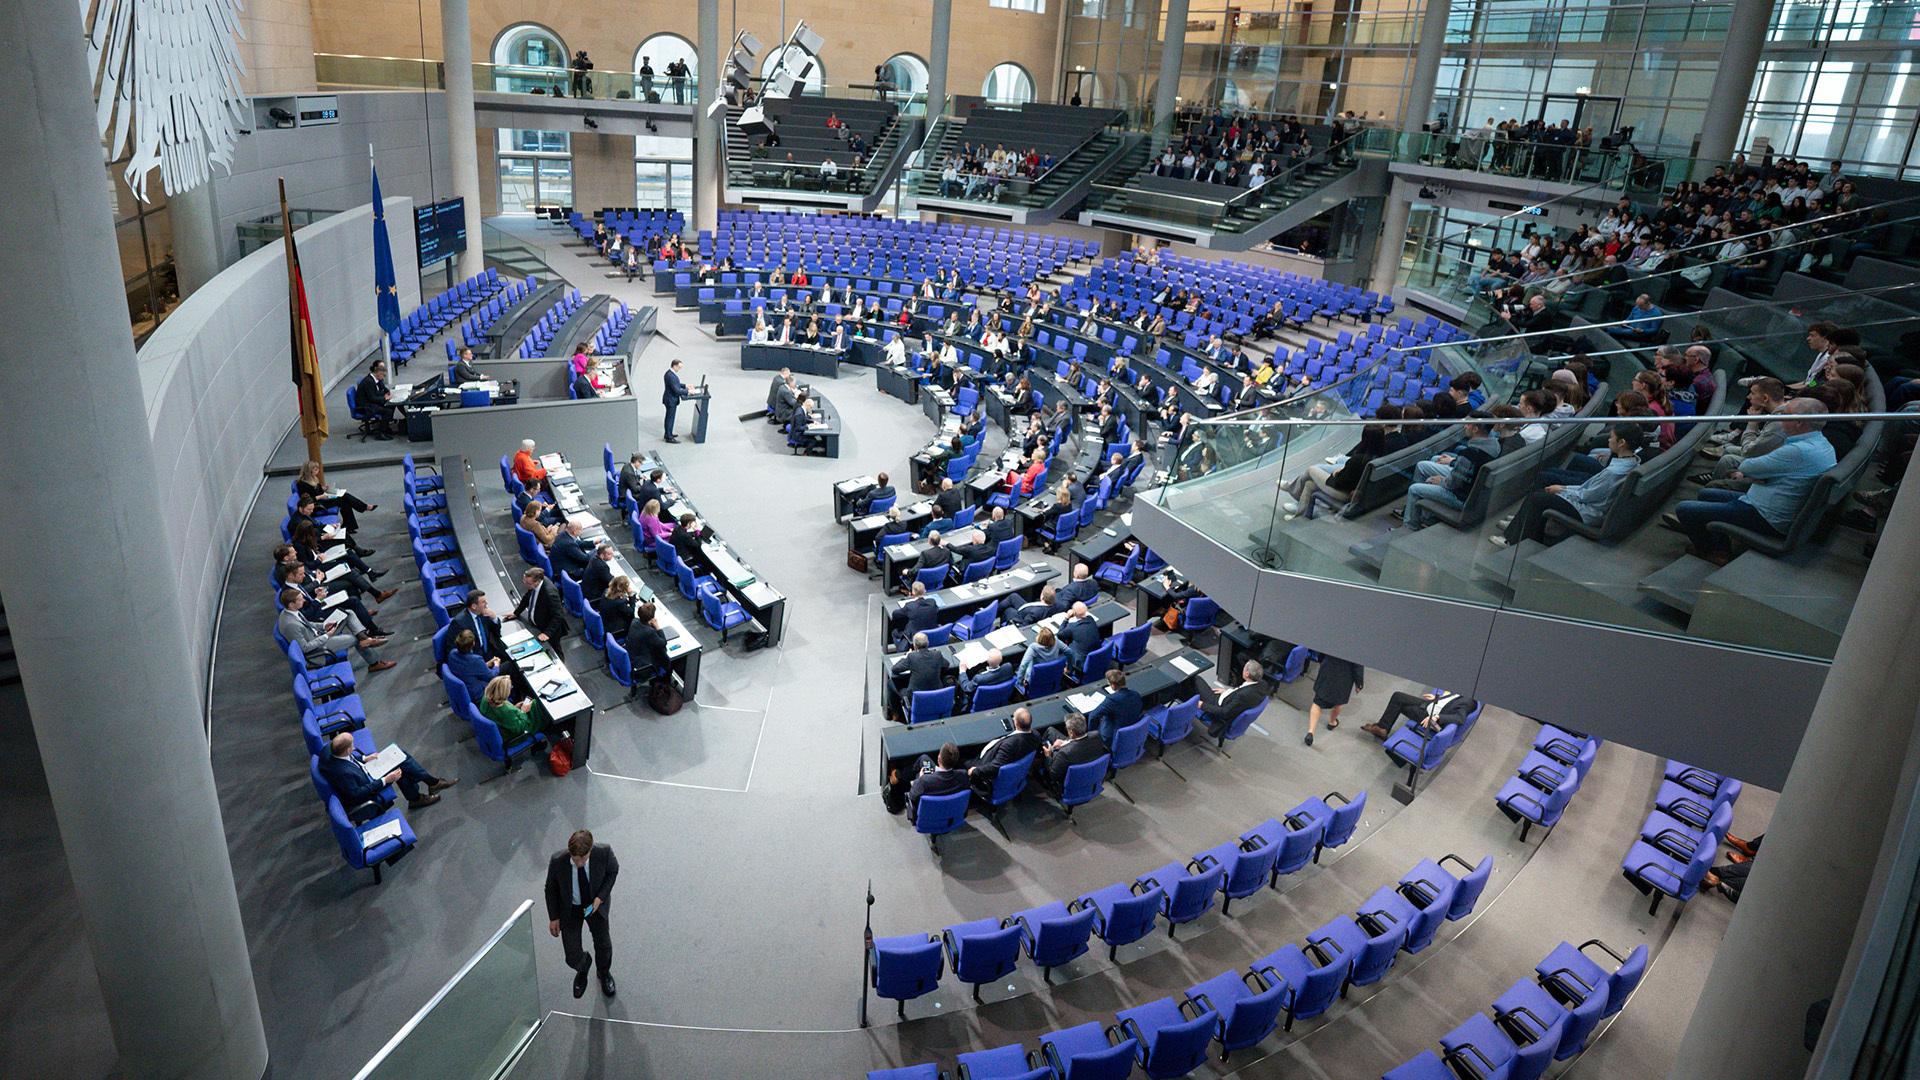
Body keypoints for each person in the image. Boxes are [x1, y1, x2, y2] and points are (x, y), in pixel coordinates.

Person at [1670, 398, 1836, 564]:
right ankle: (1719, 544)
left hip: (1765, 515)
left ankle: (1712, 551)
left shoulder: (1798, 450)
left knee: (1685, 509)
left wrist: (1759, 473)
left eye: (1785, 414)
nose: (1780, 418)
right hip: (1766, 502)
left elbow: (1747, 466)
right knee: (1706, 493)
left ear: (1799, 422)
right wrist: (1765, 474)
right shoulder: (1823, 444)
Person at [1492, 425, 1645, 548]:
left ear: (1622, 443)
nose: (1609, 440)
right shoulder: (1632, 462)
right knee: (1543, 492)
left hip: (1588, 511)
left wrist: (1563, 489)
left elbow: (1588, 496)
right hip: (1591, 503)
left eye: (1612, 437)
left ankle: (1513, 540)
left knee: (1537, 498)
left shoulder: (1613, 472)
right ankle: (1521, 526)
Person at [545, 830, 619, 999]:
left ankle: (603, 973)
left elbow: (613, 872)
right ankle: (584, 965)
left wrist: (600, 898)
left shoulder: (604, 852)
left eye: (582, 859)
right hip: (571, 910)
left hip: (594, 906)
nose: (578, 863)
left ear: (590, 851)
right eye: (574, 858)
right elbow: (550, 888)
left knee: (604, 945)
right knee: (571, 955)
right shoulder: (558, 861)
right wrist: (553, 917)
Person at [318, 730, 454, 812]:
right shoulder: (343, 774)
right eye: (352, 746)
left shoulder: (330, 750)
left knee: (400, 756)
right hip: (368, 783)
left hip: (366, 769)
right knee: (401, 764)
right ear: (347, 749)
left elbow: (349, 757)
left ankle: (421, 793)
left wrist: (365, 758)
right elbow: (357, 794)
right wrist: (385, 780)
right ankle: (429, 786)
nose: (354, 748)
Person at [278, 589, 394, 673]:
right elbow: (305, 648)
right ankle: (374, 663)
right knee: (354, 639)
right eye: (300, 599)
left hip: (319, 634)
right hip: (318, 648)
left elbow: (308, 624)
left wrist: (324, 626)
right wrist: (326, 636)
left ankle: (365, 638)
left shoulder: (290, 612)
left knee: (348, 613)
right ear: (291, 604)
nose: (303, 600)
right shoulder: (290, 625)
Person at [969, 707, 1042, 793]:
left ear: (1016, 723)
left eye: (1013, 716)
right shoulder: (1036, 735)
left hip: (984, 765)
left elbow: (995, 767)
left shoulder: (1009, 745)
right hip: (1013, 766)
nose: (1013, 718)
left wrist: (975, 771)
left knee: (964, 760)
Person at [297, 460, 373, 537]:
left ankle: (350, 525)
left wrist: (324, 489)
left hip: (322, 499)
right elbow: (307, 501)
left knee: (344, 500)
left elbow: (317, 490)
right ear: (309, 471)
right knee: (344, 497)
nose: (318, 471)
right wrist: (320, 496)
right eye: (315, 469)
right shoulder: (302, 484)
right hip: (316, 506)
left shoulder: (313, 479)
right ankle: (363, 507)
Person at [1360, 689, 1467, 741]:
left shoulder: (1469, 700)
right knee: (1398, 696)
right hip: (1431, 704)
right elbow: (1450, 700)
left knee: (1399, 705)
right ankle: (1382, 728)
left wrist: (1437, 717)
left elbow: (1460, 718)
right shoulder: (1465, 691)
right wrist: (1436, 699)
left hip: (1429, 716)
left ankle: (1382, 728)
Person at [1305, 655, 1362, 747]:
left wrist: (1321, 660)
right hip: (1345, 675)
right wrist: (1359, 683)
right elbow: (1358, 664)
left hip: (1328, 667)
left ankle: (1311, 732)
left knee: (1317, 703)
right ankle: (1332, 722)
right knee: (1338, 703)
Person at [1200, 660, 1267, 738]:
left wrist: (1202, 705)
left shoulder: (1243, 695)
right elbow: (1239, 691)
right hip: (1228, 699)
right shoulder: (1262, 684)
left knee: (1197, 679)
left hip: (1219, 705)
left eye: (1244, 668)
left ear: (1247, 673)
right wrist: (1227, 692)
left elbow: (1224, 712)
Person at [906, 742, 971, 820]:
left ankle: (902, 775)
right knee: (924, 758)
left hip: (928, 815)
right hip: (950, 811)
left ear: (939, 758)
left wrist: (919, 778)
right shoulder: (963, 775)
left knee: (922, 761)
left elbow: (912, 796)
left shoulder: (924, 781)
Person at [1042, 713, 1106, 790]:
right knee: (1051, 730)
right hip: (1087, 767)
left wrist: (1048, 756)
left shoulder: (1064, 754)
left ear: (1071, 733)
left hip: (1070, 780)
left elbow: (1053, 775)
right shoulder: (1096, 735)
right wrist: (1067, 742)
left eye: (1067, 729)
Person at [514, 567, 569, 654]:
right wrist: (516, 613)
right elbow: (528, 596)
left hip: (549, 628)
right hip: (538, 624)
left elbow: (558, 615)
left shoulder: (550, 593)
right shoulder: (534, 584)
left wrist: (547, 633)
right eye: (524, 581)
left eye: (528, 583)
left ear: (537, 582)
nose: (525, 584)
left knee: (555, 650)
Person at [1086, 667, 1144, 748]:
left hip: (1111, 736)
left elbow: (1093, 716)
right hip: (1130, 729)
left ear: (1113, 685)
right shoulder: (1136, 694)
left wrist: (1091, 735)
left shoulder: (1112, 700)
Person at [623, 602, 671, 686]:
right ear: (651, 617)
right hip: (642, 665)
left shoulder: (634, 621)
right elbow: (663, 643)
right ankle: (662, 684)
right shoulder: (649, 632)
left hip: (631, 657)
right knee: (667, 660)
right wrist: (657, 627)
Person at [888, 581, 942, 651]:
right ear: (925, 591)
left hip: (914, 636)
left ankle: (900, 651)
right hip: (932, 631)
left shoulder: (910, 606)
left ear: (912, 592)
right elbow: (936, 610)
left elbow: (895, 614)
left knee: (895, 632)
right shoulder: (932, 602)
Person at [445, 629, 495, 702]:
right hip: (478, 695)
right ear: (473, 644)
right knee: (508, 667)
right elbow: (491, 676)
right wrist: (496, 665)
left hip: (466, 690)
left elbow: (469, 669)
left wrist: (486, 665)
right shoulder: (475, 660)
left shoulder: (452, 654)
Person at [355, 359, 398, 437]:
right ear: (378, 373)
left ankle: (385, 427)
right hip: (365, 406)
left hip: (369, 401)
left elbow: (375, 393)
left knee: (391, 405)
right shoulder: (369, 382)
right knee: (387, 411)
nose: (383, 378)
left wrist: (384, 396)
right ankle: (381, 433)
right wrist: (384, 398)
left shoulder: (373, 379)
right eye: (383, 375)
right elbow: (372, 398)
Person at [593, 576, 638, 641]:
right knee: (634, 621)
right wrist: (631, 597)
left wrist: (626, 599)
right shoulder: (619, 603)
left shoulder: (606, 592)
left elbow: (615, 603)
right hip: (614, 630)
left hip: (604, 621)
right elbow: (631, 612)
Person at [662, 358, 692, 442]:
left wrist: (685, 385)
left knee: (669, 418)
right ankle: (669, 437)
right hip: (670, 400)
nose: (680, 369)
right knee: (670, 418)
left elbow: (676, 384)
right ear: (674, 366)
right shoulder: (671, 376)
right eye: (679, 367)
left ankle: (668, 433)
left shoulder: (670, 373)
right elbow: (677, 390)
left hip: (670, 399)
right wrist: (689, 392)